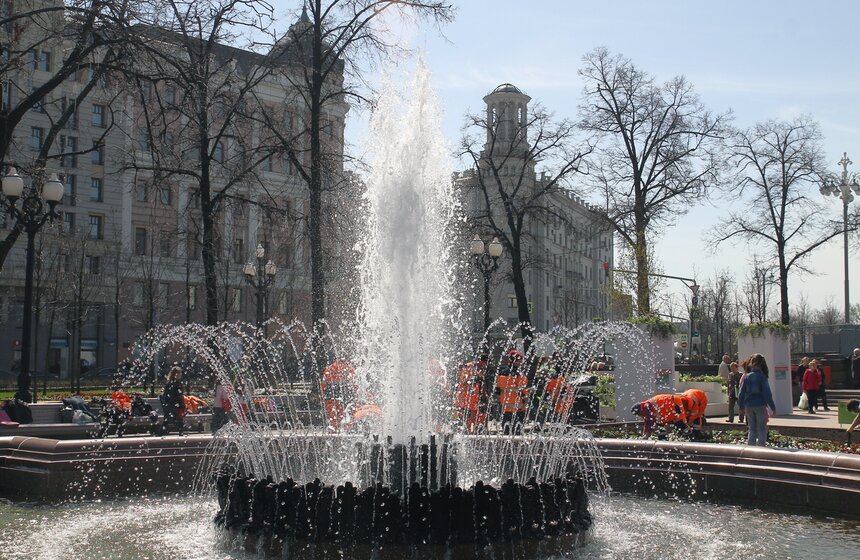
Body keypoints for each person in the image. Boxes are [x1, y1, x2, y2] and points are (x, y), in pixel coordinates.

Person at [737, 353, 776, 446]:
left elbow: (741, 393)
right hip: (760, 404)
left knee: (752, 428)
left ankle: (751, 449)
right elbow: (767, 394)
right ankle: (761, 449)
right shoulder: (763, 377)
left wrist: (741, 406)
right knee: (761, 428)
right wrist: (773, 407)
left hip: (748, 405)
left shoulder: (746, 377)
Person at [495, 350, 529, 435]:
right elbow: (524, 393)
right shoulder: (519, 375)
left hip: (505, 409)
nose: (520, 363)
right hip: (518, 409)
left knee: (506, 433)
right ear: (516, 361)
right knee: (516, 434)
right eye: (519, 361)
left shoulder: (501, 373)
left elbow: (497, 391)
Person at [320, 360, 356, 431]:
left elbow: (323, 385)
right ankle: (346, 428)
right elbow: (354, 384)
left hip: (331, 394)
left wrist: (323, 395)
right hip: (345, 395)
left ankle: (333, 426)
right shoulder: (350, 369)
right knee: (345, 412)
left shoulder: (329, 369)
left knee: (333, 412)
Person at [453, 360, 486, 434]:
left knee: (477, 421)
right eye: (482, 368)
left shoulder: (475, 372)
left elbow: (478, 389)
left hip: (473, 404)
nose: (483, 370)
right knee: (465, 423)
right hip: (464, 403)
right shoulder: (467, 370)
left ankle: (473, 436)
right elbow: (465, 381)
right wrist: (475, 378)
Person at [161, 366, 187, 435]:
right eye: (178, 373)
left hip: (170, 404)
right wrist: (181, 404)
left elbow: (166, 395)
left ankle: (162, 432)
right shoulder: (176, 384)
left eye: (180, 373)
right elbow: (178, 395)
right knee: (178, 418)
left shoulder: (169, 383)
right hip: (175, 404)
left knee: (168, 418)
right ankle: (181, 432)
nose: (180, 375)